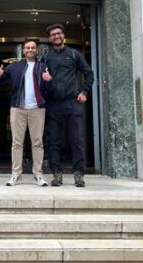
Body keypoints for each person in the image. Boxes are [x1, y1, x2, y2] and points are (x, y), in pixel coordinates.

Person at [42, 24, 94, 187]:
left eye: (58, 33)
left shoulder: (74, 54)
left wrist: (84, 92)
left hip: (72, 102)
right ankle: (57, 174)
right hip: (53, 104)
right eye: (53, 34)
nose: (56, 36)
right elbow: (40, 80)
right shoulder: (46, 58)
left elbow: (89, 73)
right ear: (50, 38)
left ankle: (79, 174)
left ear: (63, 35)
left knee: (76, 140)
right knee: (53, 141)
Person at [0, 39, 50, 186]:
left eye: (32, 48)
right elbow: (1, 76)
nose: (30, 50)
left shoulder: (43, 67)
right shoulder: (15, 66)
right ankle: (16, 174)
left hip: (37, 109)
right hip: (18, 108)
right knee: (16, 143)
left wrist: (49, 80)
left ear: (36, 50)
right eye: (27, 48)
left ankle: (38, 174)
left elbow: (51, 89)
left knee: (37, 143)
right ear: (23, 50)